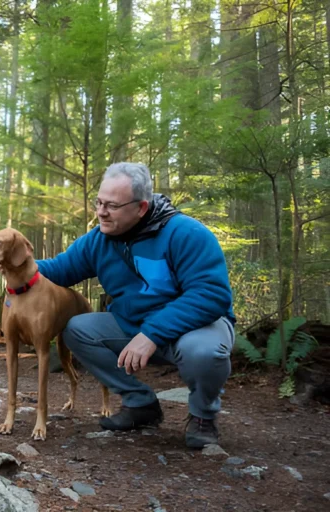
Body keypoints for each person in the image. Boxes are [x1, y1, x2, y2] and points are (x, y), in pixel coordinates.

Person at [36, 162, 236, 448]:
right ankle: (140, 404)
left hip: (195, 328)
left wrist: (152, 334)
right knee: (77, 329)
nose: (101, 212)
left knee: (204, 352)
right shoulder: (99, 239)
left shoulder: (187, 234)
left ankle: (203, 416)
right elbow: (58, 269)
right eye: (99, 203)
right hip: (134, 325)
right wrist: (13, 260)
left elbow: (211, 295)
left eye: (112, 206)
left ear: (141, 208)